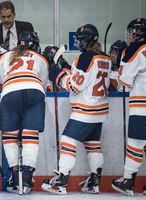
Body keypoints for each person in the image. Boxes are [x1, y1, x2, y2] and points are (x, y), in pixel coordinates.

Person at [42, 24, 111, 195]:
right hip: (99, 110)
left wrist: (57, 75)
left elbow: (75, 85)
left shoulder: (85, 57)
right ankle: (94, 182)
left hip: (85, 110)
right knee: (93, 145)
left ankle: (61, 180)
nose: (79, 42)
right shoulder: (105, 58)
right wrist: (65, 68)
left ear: (86, 40)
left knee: (67, 141)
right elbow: (86, 77)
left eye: (80, 39)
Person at [111, 18, 146, 197]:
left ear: (138, 33)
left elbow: (124, 81)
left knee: (135, 144)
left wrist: (120, 67)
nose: (130, 35)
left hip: (143, 106)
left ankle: (128, 180)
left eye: (132, 32)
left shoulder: (133, 49)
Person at [0, 31, 48, 194]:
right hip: (34, 91)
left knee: (10, 135)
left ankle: (14, 175)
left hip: (11, 90)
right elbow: (44, 83)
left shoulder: (5, 57)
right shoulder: (41, 58)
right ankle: (26, 176)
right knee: (31, 134)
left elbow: (1, 79)